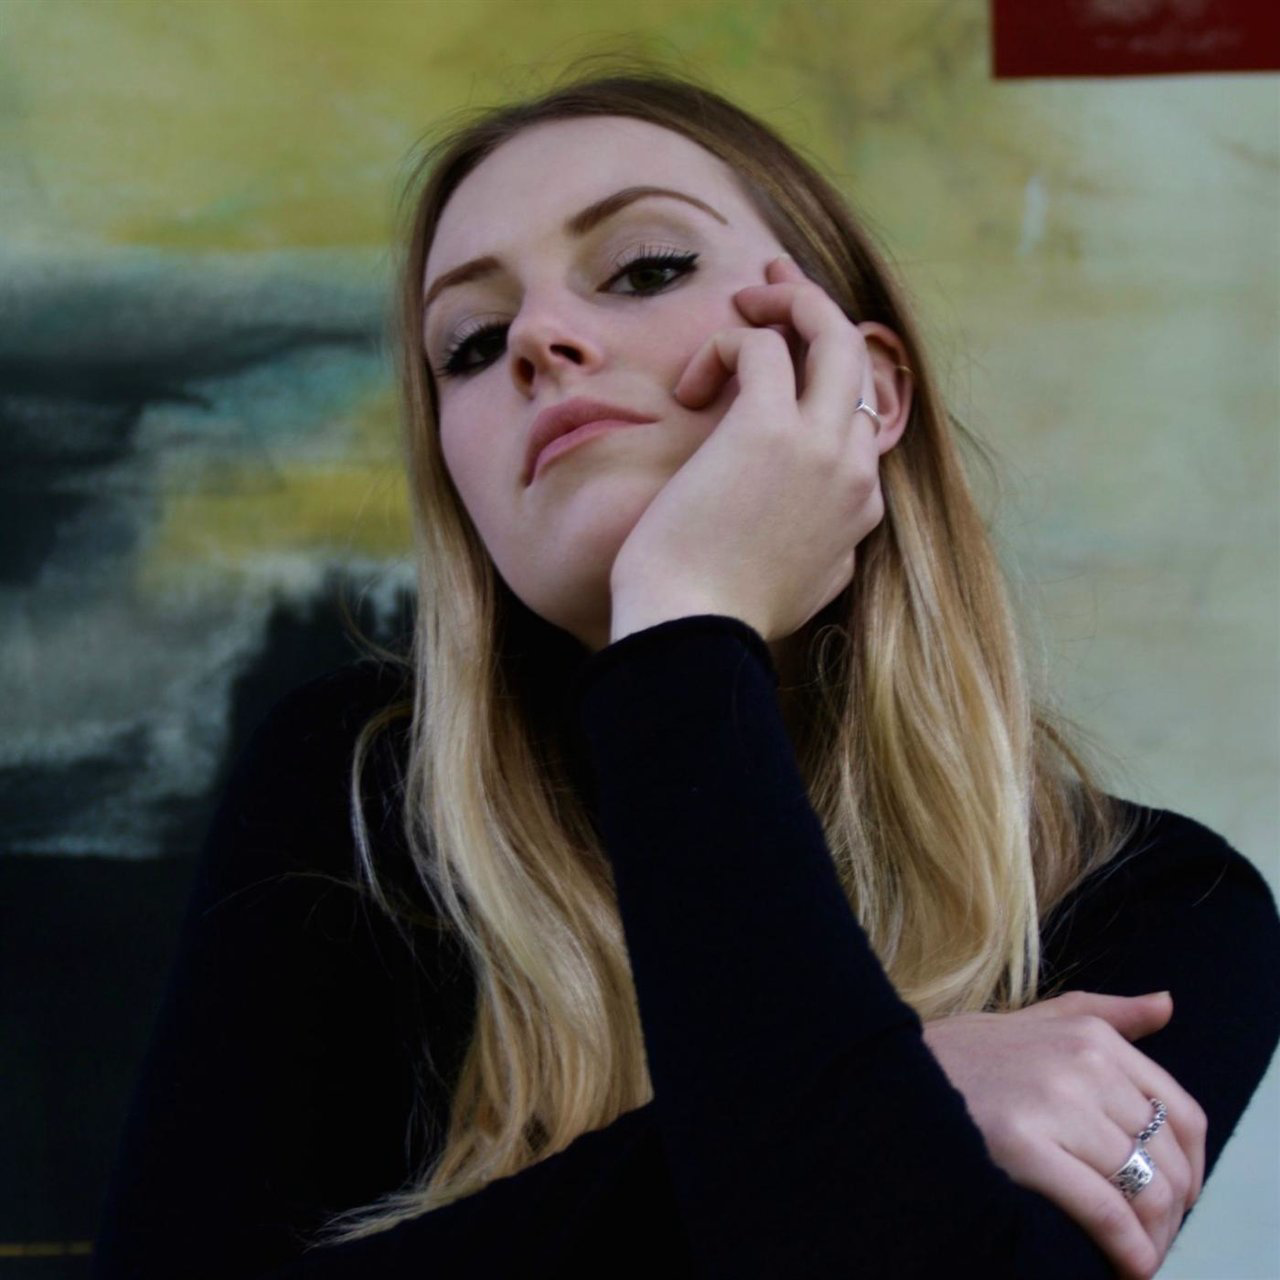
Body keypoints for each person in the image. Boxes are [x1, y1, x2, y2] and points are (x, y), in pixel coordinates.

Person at [93, 66, 1280, 1280]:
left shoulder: (1162, 903)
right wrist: (910, 1090)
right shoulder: (357, 789)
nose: (537, 342)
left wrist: (677, 622)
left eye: (645, 267)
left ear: (862, 387)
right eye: (470, 343)